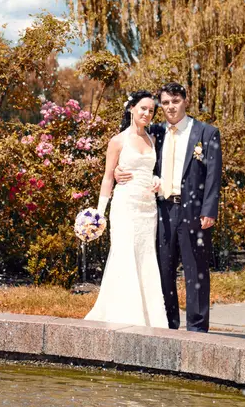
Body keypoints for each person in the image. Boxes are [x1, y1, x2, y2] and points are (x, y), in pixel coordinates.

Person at [115, 82, 222, 333]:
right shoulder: (156, 133)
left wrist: (209, 210)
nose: (170, 107)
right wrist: (120, 169)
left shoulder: (206, 133)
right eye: (165, 103)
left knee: (195, 271)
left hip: (194, 211)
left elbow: (213, 176)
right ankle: (169, 325)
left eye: (175, 101)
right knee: (163, 269)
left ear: (185, 101)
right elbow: (137, 155)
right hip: (162, 210)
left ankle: (197, 329)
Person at [84, 90, 168, 328]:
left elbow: (156, 171)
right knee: (124, 255)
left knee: (145, 257)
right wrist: (99, 213)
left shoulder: (152, 139)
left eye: (151, 110)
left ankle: (150, 316)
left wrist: (157, 181)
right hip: (125, 206)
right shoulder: (118, 141)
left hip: (148, 209)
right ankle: (125, 314)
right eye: (143, 108)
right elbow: (108, 178)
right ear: (131, 108)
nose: (146, 113)